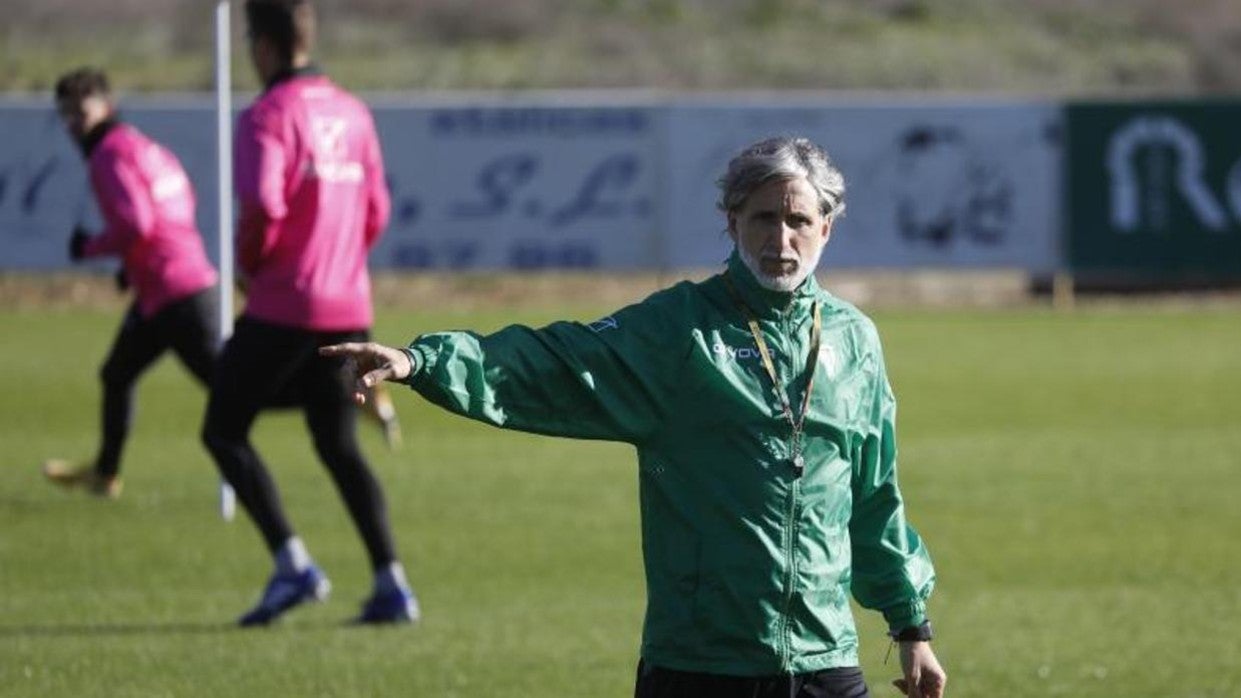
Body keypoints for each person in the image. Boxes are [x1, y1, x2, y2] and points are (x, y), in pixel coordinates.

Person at [324, 137, 947, 697]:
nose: (780, 240)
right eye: (763, 218)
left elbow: (872, 495)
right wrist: (422, 361)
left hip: (824, 663)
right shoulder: (679, 330)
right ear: (731, 223)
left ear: (827, 229)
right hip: (701, 665)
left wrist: (910, 625)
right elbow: (552, 362)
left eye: (798, 221)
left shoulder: (854, 341)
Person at [199, 0, 416, 626]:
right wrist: (341, 262)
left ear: (262, 44)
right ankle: (393, 584)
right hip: (348, 302)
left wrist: (251, 267)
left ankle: (293, 565)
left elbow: (263, 207)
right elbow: (376, 209)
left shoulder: (269, 114)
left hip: (286, 300)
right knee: (337, 443)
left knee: (222, 427)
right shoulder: (352, 111)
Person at [42, 67, 219, 500]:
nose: (74, 124)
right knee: (117, 373)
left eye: (81, 112)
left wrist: (91, 247)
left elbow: (136, 222)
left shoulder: (108, 153)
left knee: (236, 388)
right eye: (66, 115)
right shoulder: (141, 146)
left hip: (176, 293)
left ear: (107, 106)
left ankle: (343, 389)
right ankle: (105, 474)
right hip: (173, 285)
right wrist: (134, 264)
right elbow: (180, 200)